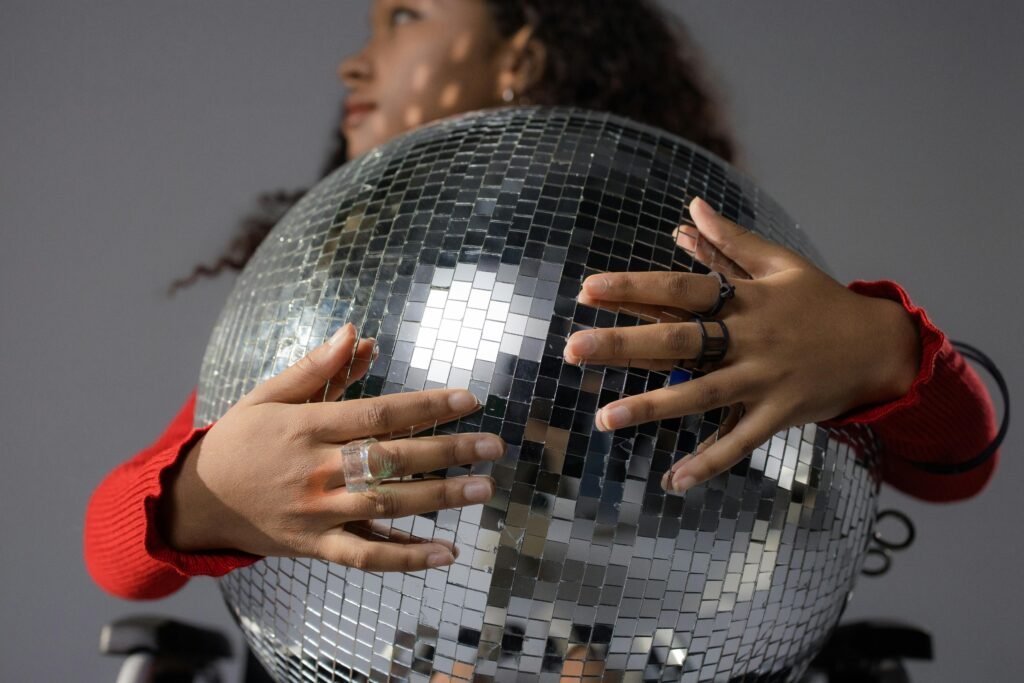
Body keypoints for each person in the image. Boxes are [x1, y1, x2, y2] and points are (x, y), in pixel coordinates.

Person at [85, 0, 997, 607]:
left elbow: (955, 464)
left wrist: (879, 347)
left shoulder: (688, 274)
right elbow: (111, 546)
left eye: (404, 14)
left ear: (519, 51)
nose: (353, 62)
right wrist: (204, 497)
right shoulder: (339, 291)